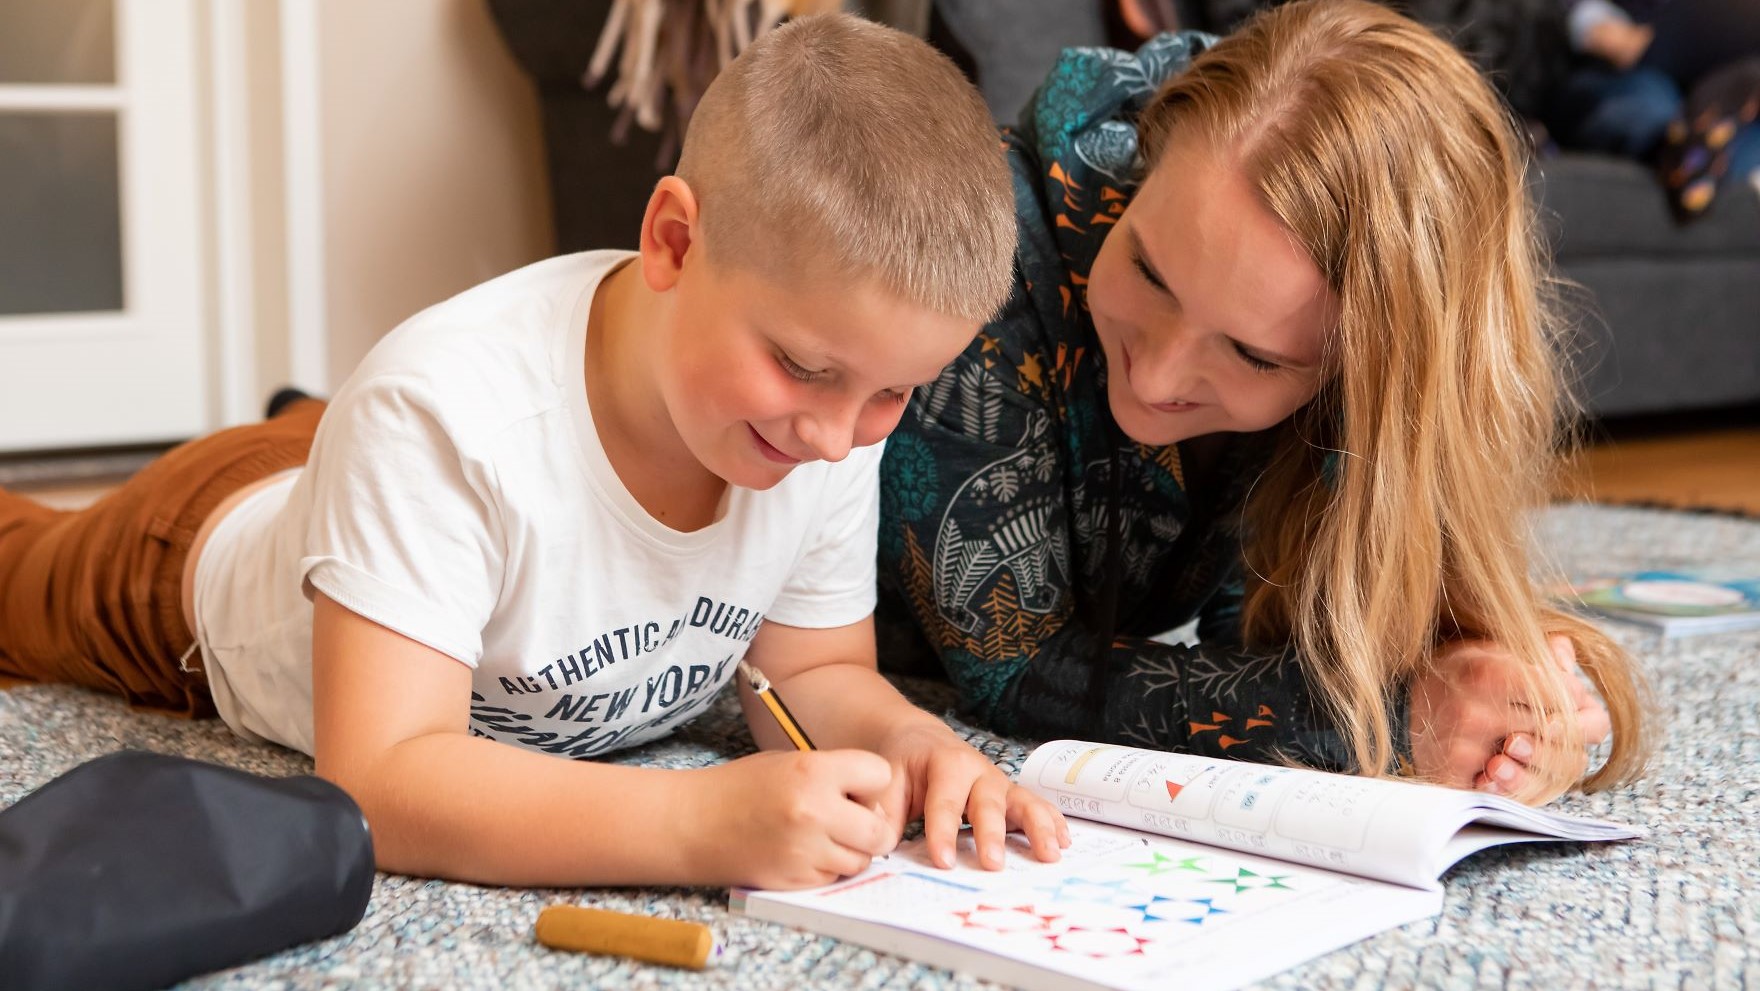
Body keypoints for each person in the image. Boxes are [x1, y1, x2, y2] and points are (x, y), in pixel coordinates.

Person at [0, 14, 1069, 890]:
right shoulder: (440, 415)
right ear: (674, 241)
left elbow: (814, 670)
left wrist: (909, 743)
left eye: (891, 393)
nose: (835, 438)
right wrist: (694, 821)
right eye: (798, 366)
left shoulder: (825, 410)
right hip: (179, 564)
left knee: (388, 456)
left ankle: (316, 430)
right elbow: (381, 781)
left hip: (395, 468)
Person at [875, 0, 1650, 806]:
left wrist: (1508, 709)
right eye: (1148, 270)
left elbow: (1256, 634)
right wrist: (1392, 719)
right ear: (1143, 165)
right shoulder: (982, 249)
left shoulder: (1353, 386)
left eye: (1253, 355)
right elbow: (1015, 667)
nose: (1157, 378)